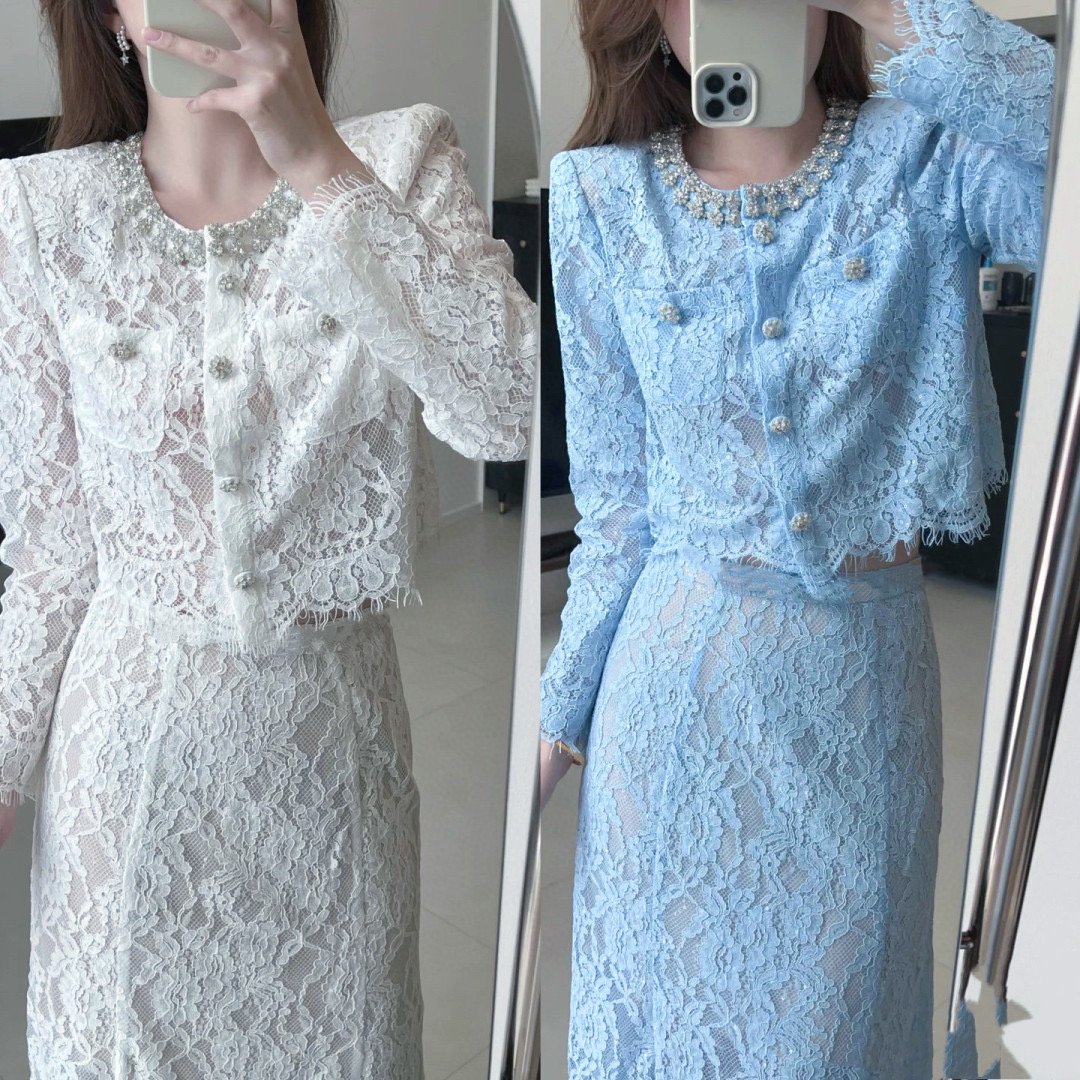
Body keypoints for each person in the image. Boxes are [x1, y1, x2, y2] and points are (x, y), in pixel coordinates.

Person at [0, 0, 535, 1075]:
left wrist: (318, 164)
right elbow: (54, 549)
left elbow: (512, 409)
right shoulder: (39, 211)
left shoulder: (400, 160)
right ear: (110, 14)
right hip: (128, 791)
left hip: (334, 778)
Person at [539, 0, 1052, 1075]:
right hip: (670, 712)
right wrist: (560, 718)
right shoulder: (599, 197)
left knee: (838, 1036)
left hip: (863, 707)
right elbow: (618, 507)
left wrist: (891, 8)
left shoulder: (931, 155)